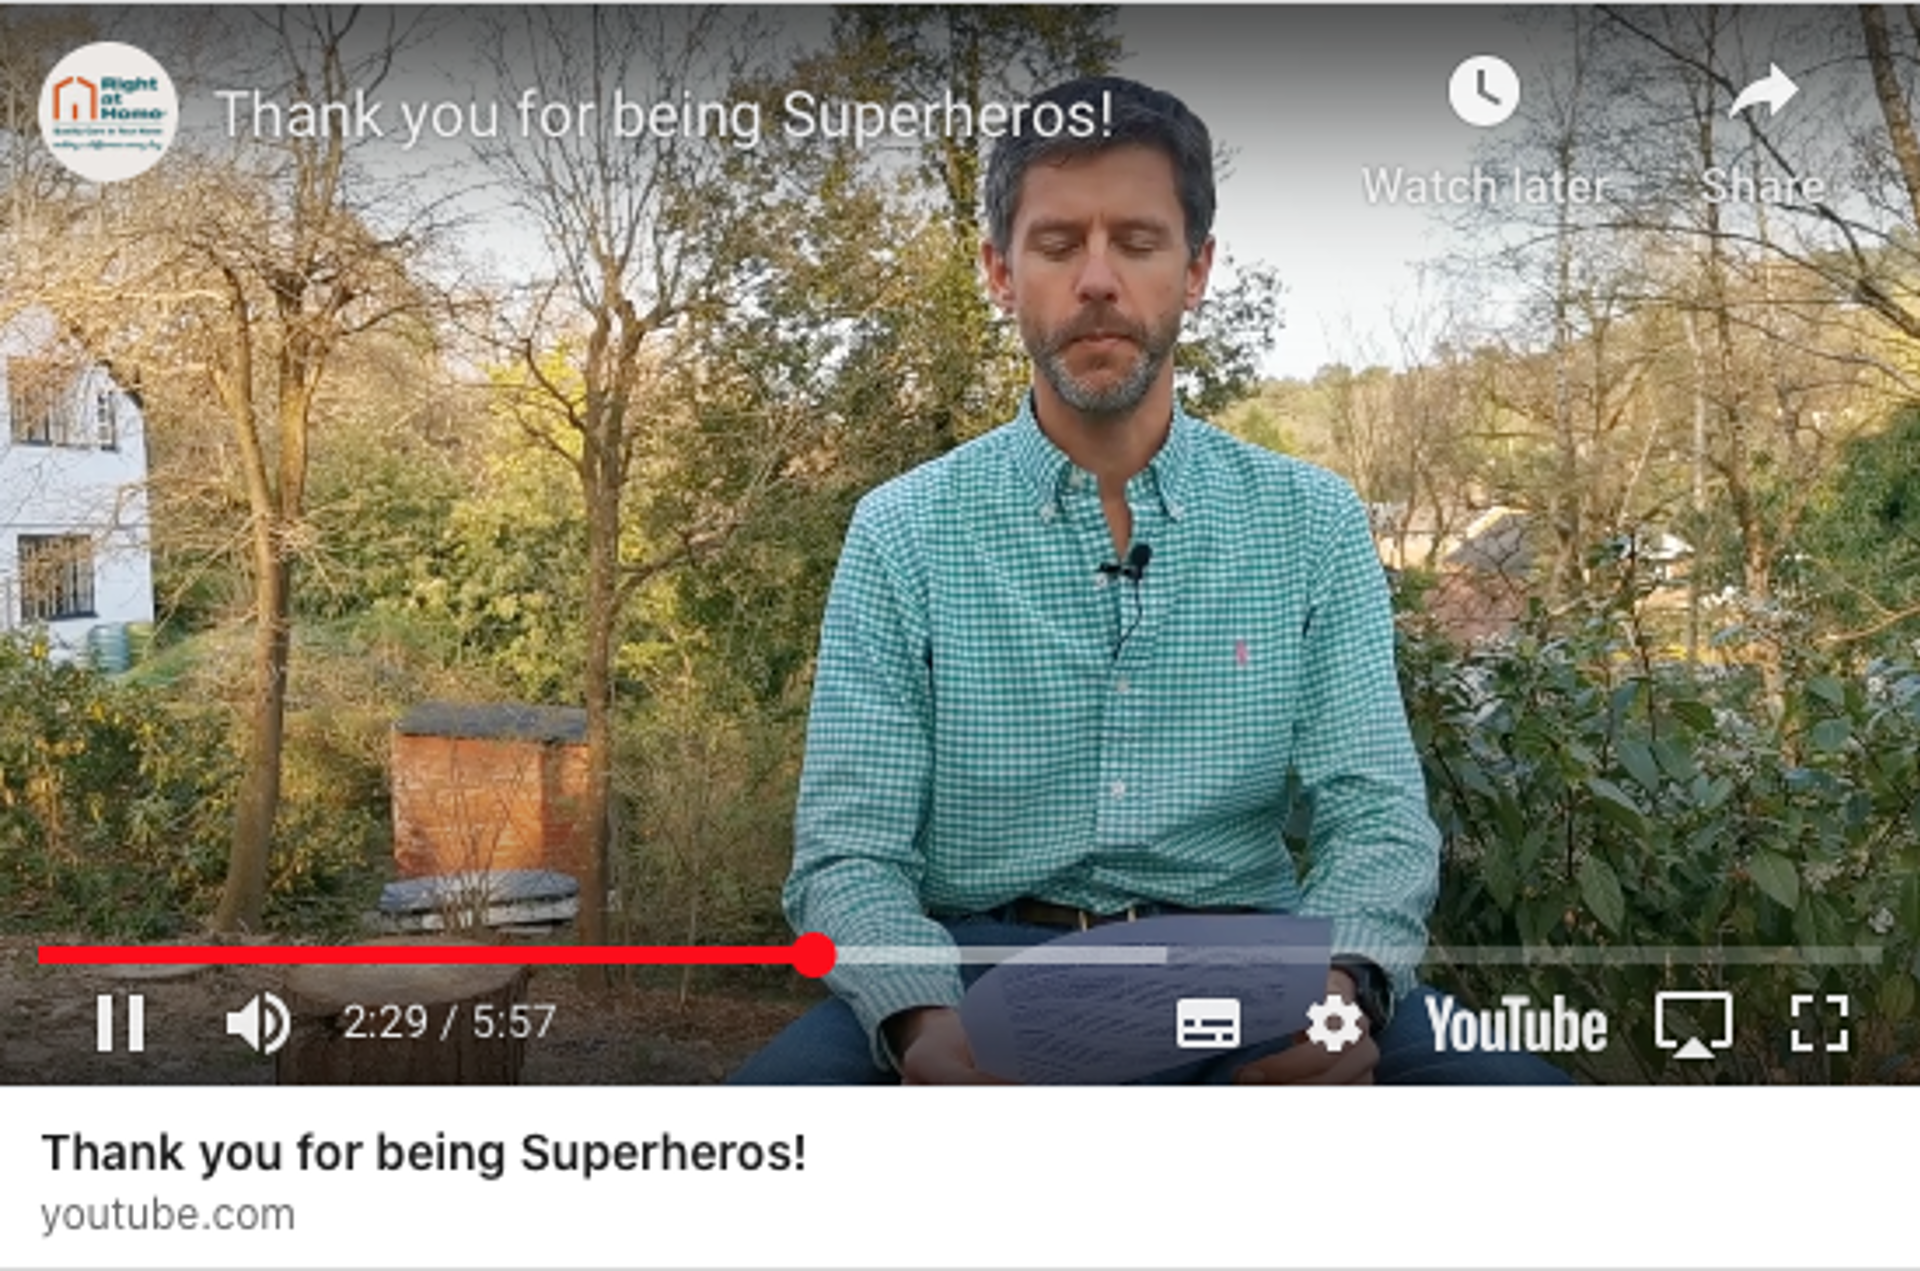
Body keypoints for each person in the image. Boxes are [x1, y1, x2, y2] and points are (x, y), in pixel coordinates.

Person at [731, 75, 1566, 1085]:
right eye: (1057, 244)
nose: (1097, 280)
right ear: (1000, 272)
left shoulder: (1311, 522)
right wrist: (918, 1018)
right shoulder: (903, 533)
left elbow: (1377, 817)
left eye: (1136, 241)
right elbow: (848, 853)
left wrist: (1344, 985)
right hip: (972, 969)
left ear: (1196, 268)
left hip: (1258, 967)